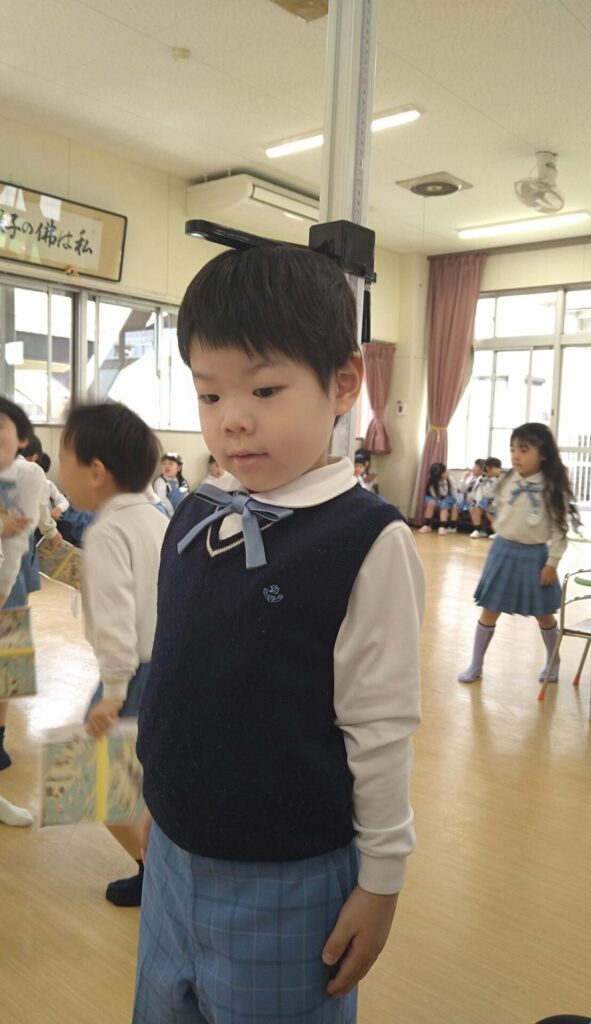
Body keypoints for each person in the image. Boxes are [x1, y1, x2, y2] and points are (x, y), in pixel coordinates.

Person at [134, 243, 425, 1024]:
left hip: (286, 880)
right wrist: (161, 792)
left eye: (264, 389)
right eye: (208, 393)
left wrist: (381, 881)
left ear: (343, 383)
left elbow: (380, 726)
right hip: (173, 854)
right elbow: (181, 668)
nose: (231, 417)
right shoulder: (195, 511)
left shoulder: (366, 541)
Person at [59, 402, 168, 906]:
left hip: (131, 676)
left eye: (65, 459)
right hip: (165, 667)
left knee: (98, 782)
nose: (60, 472)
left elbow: (116, 620)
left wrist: (114, 692)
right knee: (143, 778)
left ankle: (157, 874)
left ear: (96, 471)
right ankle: (158, 871)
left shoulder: (105, 532)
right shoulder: (157, 517)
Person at [458, 423, 580, 685]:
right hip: (502, 552)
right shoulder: (507, 479)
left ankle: (553, 660)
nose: (515, 456)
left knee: (543, 614)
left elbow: (559, 530)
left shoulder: (550, 488)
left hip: (534, 557)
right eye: (513, 449)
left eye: (524, 450)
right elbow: (499, 509)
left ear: (543, 454)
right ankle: (476, 664)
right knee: (489, 610)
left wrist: (552, 563)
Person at [0, 398, 60, 771]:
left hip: (9, 571)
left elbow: (23, 528)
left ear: (22, 438)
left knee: (8, 655)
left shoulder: (28, 474)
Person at [469, 456, 502, 539]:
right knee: (475, 509)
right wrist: (478, 503)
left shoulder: (500, 481)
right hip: (484, 500)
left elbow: (500, 495)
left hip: (496, 502)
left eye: (497, 468)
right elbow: (479, 492)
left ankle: (498, 532)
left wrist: (493, 505)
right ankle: (477, 530)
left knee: (490, 513)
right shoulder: (481, 479)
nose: (496, 470)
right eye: (489, 468)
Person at [418, 462, 455, 535]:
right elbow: (434, 495)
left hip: (448, 498)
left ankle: (442, 526)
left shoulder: (450, 479)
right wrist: (438, 501)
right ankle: (427, 525)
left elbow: (451, 493)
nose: (447, 472)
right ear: (440, 474)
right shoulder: (432, 482)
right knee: (431, 503)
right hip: (434, 498)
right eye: (445, 471)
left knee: (444, 504)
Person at [450, 458, 487, 530]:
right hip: (466, 502)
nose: (473, 468)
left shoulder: (483, 479)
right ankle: (452, 527)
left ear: (481, 469)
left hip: (476, 502)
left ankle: (477, 529)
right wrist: (464, 478)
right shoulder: (471, 478)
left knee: (473, 508)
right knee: (455, 505)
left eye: (475, 466)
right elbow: (461, 489)